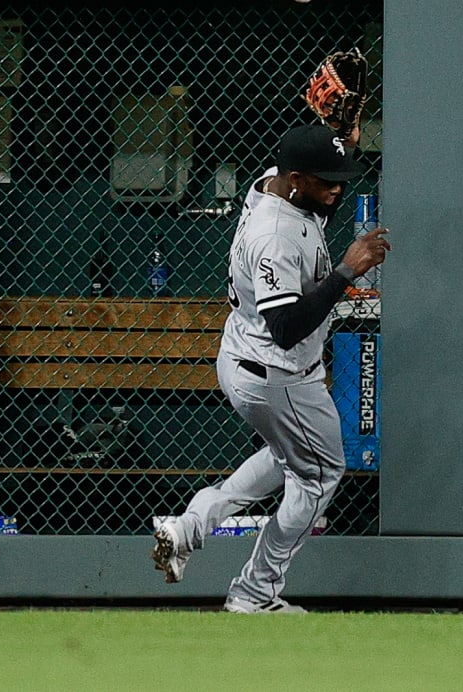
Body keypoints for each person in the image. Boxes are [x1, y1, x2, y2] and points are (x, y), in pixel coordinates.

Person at [151, 124, 391, 613]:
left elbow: (320, 176)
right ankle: (256, 593)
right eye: (327, 182)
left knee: (289, 457)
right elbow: (286, 326)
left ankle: (187, 527)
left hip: (243, 356)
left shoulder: (274, 182)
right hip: (276, 371)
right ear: (297, 179)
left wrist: (342, 135)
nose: (338, 190)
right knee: (321, 473)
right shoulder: (275, 236)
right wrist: (347, 271)